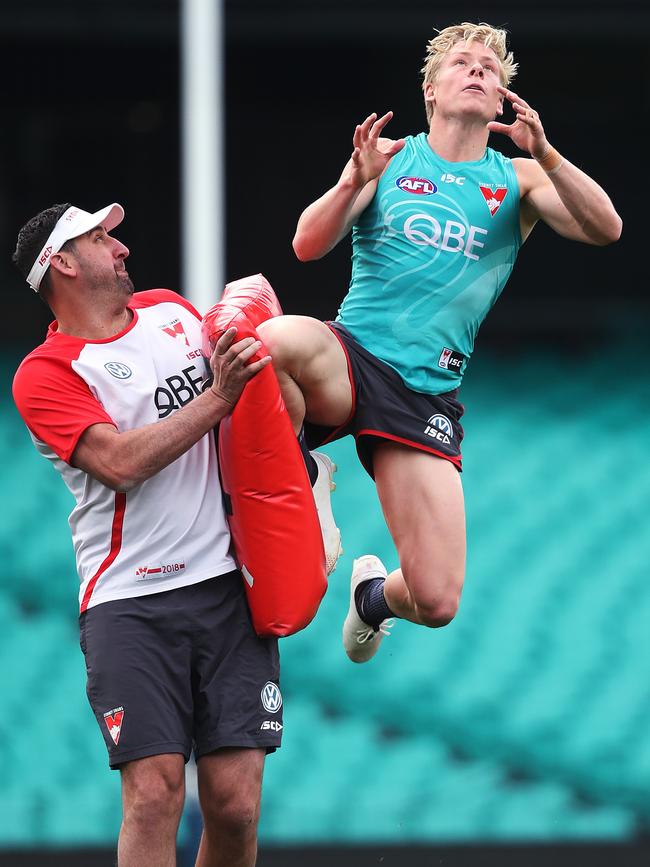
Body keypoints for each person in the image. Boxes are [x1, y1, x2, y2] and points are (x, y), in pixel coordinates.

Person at [257, 22, 622, 664]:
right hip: (353, 361)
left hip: (425, 394)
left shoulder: (521, 178)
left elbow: (607, 229)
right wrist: (351, 180)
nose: (478, 71)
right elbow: (306, 245)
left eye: (491, 67)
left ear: (504, 95)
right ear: (431, 89)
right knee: (274, 340)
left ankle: (372, 599)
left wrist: (551, 155)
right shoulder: (390, 159)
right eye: (463, 63)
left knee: (437, 600)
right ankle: (307, 475)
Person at [12, 202, 281, 867]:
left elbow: (259, 407)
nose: (123, 247)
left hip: (227, 589)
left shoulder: (172, 310)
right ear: (64, 264)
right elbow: (120, 463)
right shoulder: (46, 374)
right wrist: (217, 395)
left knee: (235, 803)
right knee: (155, 792)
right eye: (103, 238)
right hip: (130, 603)